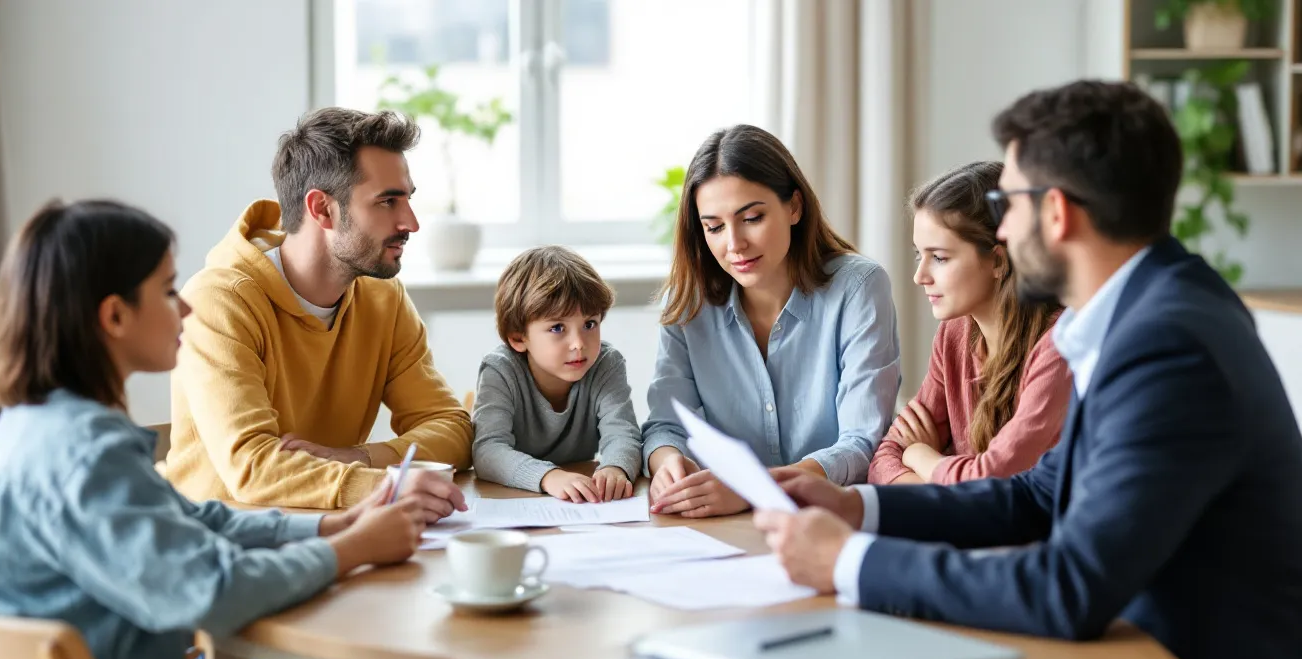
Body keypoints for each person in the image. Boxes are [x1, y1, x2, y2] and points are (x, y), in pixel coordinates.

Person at [756, 80, 1302, 659]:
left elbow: (1069, 587)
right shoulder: (1148, 310)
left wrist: (848, 560)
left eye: (1006, 206)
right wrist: (858, 508)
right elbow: (1040, 494)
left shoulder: (1168, 344)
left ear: (1057, 213)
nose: (1004, 233)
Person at [0, 199, 466, 659]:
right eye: (167, 290)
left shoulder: (32, 430)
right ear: (115, 316)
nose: (185, 307)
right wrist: (351, 549)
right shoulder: (89, 458)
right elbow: (214, 592)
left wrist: (331, 525)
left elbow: (194, 520)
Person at [165, 107, 472, 512]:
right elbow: (253, 468)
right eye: (387, 201)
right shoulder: (219, 302)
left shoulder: (383, 298)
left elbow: (452, 427)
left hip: (334, 527)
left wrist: (359, 458)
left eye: (408, 199)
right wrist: (386, 488)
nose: (411, 223)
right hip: (218, 536)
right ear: (322, 209)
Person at [641, 124, 900, 518]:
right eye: (714, 227)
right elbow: (665, 426)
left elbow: (864, 442)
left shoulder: (858, 287)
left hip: (830, 518)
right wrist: (668, 462)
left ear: (794, 207)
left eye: (752, 217)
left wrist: (754, 488)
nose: (734, 244)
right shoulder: (686, 304)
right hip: (721, 523)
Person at [868, 161, 1069, 485]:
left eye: (939, 257)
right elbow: (884, 460)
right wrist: (941, 490)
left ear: (998, 261)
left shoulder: (1059, 347)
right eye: (920, 255)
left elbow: (990, 480)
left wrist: (919, 454)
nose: (919, 276)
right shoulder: (954, 334)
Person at [471, 246, 642, 501]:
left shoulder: (606, 364)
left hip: (577, 499)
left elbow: (623, 434)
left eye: (589, 324)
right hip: (516, 498)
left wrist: (615, 468)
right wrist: (548, 476)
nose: (578, 344)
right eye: (558, 328)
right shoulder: (501, 370)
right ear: (518, 338)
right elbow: (488, 451)